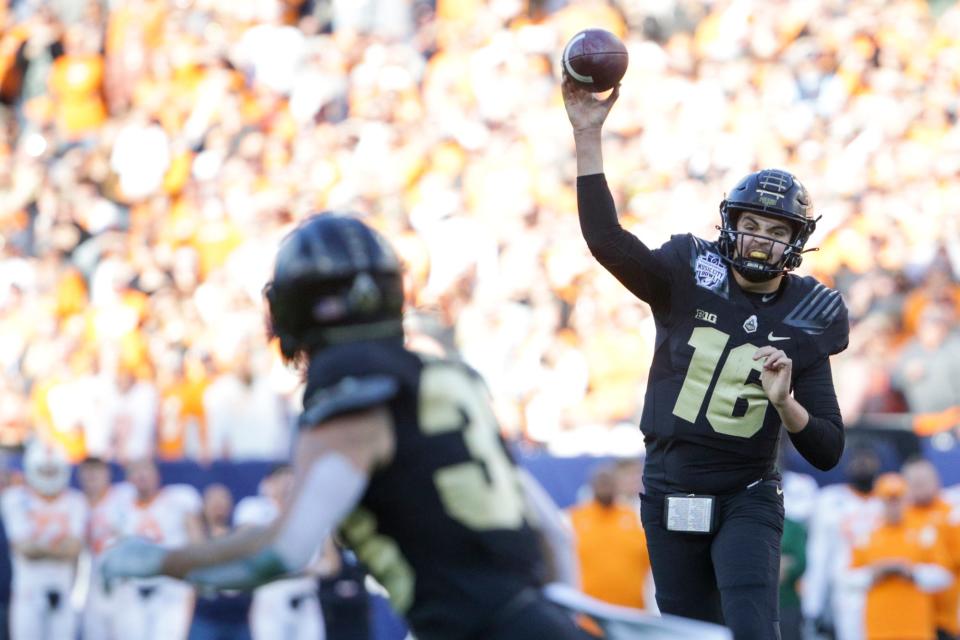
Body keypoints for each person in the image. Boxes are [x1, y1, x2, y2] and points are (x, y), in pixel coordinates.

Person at [101, 212, 589, 640]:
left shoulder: (350, 390)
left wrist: (161, 562)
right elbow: (556, 534)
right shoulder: (445, 376)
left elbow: (283, 552)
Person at [562, 75, 849, 639]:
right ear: (731, 226)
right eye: (751, 226)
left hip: (746, 493)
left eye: (775, 230)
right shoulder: (688, 272)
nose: (761, 240)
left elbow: (827, 449)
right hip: (669, 490)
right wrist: (587, 136)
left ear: (796, 240)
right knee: (690, 633)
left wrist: (786, 403)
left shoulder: (810, 312)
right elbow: (605, 240)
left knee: (749, 630)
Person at [848, 473, 953, 640]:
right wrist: (874, 573)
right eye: (888, 500)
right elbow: (848, 579)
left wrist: (912, 572)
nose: (893, 506)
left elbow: (944, 576)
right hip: (878, 629)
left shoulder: (924, 532)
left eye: (897, 500)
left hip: (916, 627)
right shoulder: (867, 535)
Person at [109, 458, 204, 640]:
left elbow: (196, 541)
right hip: (134, 589)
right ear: (128, 479)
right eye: (135, 470)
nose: (141, 475)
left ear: (157, 474)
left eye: (146, 468)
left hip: (170, 587)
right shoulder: (120, 507)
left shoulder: (178, 499)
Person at [1, 441, 87, 640]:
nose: (49, 475)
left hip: (64, 595)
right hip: (27, 596)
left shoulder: (76, 501)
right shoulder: (15, 499)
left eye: (52, 470)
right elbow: (25, 549)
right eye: (44, 470)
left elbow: (73, 549)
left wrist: (41, 547)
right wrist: (59, 547)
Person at [232, 464, 324, 640]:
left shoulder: (310, 514)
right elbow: (244, 546)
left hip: (306, 599)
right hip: (272, 600)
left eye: (292, 479)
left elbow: (330, 562)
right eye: (282, 478)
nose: (288, 484)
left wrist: (308, 569)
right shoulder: (254, 509)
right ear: (268, 483)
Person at [803, 445, 883, 640]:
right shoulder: (830, 499)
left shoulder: (889, 499)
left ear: (878, 464)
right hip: (847, 591)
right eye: (857, 460)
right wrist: (812, 606)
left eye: (868, 459)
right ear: (847, 465)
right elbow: (819, 554)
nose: (862, 465)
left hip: (884, 587)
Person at [567, 463, 651, 610]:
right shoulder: (573, 520)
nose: (604, 485)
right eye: (600, 481)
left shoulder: (636, 518)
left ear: (616, 485)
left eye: (608, 481)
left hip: (632, 613)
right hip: (587, 614)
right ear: (592, 486)